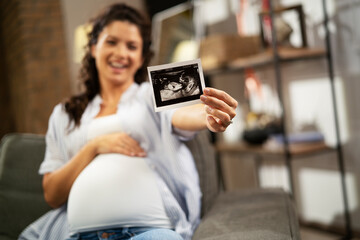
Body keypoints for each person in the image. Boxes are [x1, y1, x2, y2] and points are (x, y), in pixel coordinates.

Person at [19, 3, 237, 240]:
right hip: (80, 235)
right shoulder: (64, 114)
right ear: (93, 47)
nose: (121, 53)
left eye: (132, 46)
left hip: (149, 232)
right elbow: (52, 194)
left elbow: (182, 115)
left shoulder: (150, 93)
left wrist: (208, 116)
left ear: (141, 57)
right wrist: (94, 147)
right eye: (111, 42)